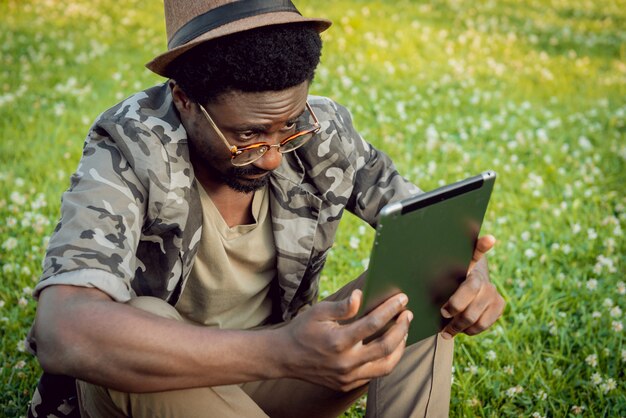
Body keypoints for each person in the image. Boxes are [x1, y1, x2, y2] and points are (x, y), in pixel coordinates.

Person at [27, 1, 505, 417]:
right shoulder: (130, 145)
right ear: (184, 100)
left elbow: (426, 225)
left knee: (416, 279)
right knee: (144, 315)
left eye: (289, 126)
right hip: (158, 388)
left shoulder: (321, 132)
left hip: (281, 381)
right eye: (247, 136)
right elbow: (63, 328)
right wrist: (283, 351)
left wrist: (464, 271)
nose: (274, 156)